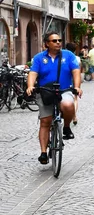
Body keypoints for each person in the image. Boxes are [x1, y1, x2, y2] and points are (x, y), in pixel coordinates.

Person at [26, 32, 82, 165]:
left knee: (68, 105)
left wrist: (77, 87)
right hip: (45, 91)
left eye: (59, 40)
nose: (58, 42)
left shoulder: (68, 55)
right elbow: (33, 73)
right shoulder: (39, 58)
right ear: (47, 44)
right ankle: (44, 153)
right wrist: (30, 86)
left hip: (64, 90)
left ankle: (66, 127)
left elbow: (76, 72)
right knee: (45, 121)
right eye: (54, 40)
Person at [65, 42, 81, 125]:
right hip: (74, 80)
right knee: (75, 98)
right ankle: (74, 116)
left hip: (66, 79)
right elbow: (79, 71)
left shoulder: (63, 57)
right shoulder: (77, 58)